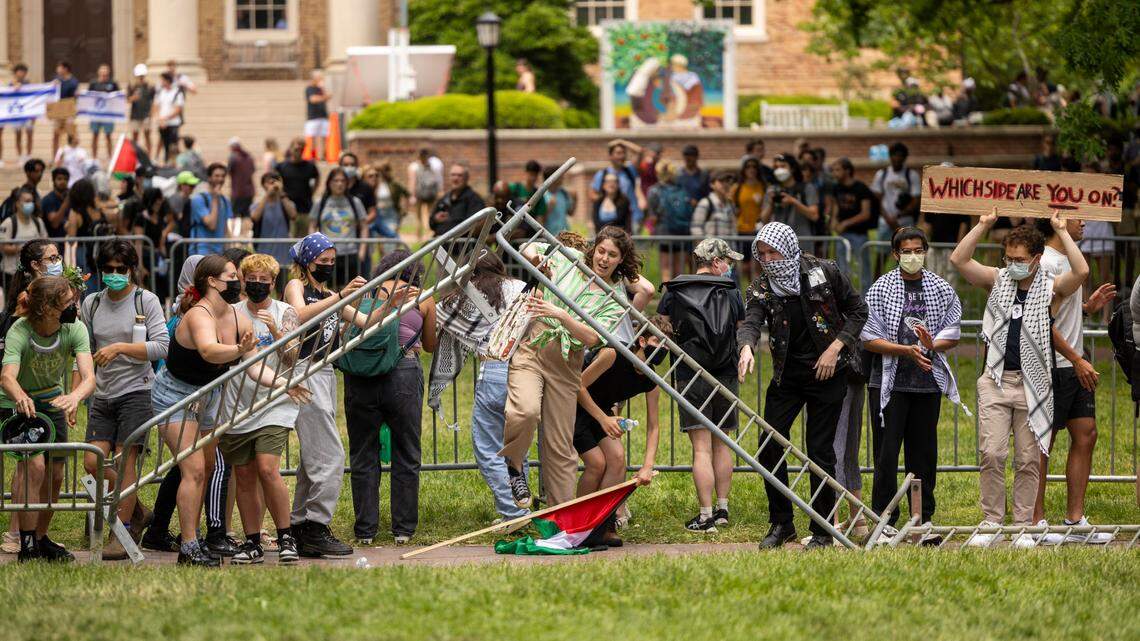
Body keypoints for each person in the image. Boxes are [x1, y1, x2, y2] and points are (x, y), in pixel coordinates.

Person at [950, 212, 1087, 548]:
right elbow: (959, 259)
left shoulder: (1051, 287)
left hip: (1033, 384)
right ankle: (991, 522)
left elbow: (1081, 271)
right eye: (1008, 258)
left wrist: (1060, 231)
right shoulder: (997, 280)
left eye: (1020, 259)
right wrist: (982, 225)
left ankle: (1024, 525)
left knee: (1028, 458)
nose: (1012, 264)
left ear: (1037, 259)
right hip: (996, 380)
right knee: (992, 453)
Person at [737, 222, 867, 550]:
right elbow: (751, 321)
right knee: (769, 446)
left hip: (828, 374)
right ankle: (782, 524)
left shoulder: (824, 272)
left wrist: (835, 348)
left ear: (789, 247)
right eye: (762, 254)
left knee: (820, 452)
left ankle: (822, 529)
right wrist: (746, 347)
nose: (768, 260)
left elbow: (857, 310)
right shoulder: (761, 288)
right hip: (787, 378)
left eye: (774, 252)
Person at [501, 226, 636, 508]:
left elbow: (591, 337)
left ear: (621, 259)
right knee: (524, 410)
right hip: (533, 348)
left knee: (561, 447)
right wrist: (541, 264)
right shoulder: (570, 258)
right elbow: (529, 249)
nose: (604, 259)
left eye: (612, 255)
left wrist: (562, 315)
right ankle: (514, 466)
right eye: (601, 251)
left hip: (567, 363)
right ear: (593, 248)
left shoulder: (615, 299)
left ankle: (560, 517)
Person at [151, 255, 256, 566]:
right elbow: (210, 351)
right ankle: (188, 547)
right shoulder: (199, 315)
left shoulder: (238, 316)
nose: (238, 282)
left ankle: (194, 536)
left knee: (206, 469)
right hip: (175, 396)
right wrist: (239, 350)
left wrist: (283, 382)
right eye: (232, 276)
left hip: (209, 395)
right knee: (194, 470)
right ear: (212, 281)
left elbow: (254, 360)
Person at [861, 227, 963, 543]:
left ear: (926, 251)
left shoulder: (941, 288)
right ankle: (885, 519)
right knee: (886, 455)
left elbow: (953, 329)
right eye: (906, 251)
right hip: (889, 385)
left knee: (923, 456)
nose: (913, 256)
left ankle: (922, 520)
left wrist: (934, 345)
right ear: (895, 254)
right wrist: (906, 350)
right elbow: (868, 337)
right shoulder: (880, 289)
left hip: (926, 385)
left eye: (918, 250)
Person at [80, 240, 169, 560]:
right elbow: (85, 352)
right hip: (103, 395)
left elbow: (162, 347)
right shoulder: (91, 303)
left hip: (138, 390)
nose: (115, 275)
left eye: (121, 270)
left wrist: (120, 348)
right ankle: (139, 509)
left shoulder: (147, 301)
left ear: (132, 270)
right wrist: (77, 393)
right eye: (109, 270)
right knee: (92, 461)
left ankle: (123, 528)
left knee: (124, 461)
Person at [1032, 218, 1116, 544]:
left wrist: (1085, 308)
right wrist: (1076, 358)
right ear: (1058, 221)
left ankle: (1075, 519)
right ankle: (1035, 519)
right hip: (1051, 365)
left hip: (1073, 364)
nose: (1085, 222)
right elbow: (1040, 319)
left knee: (1086, 434)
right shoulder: (1045, 262)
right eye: (1078, 216)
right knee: (1043, 444)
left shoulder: (1071, 258)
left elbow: (1060, 311)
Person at [344, 251, 436, 545]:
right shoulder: (422, 298)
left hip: (361, 376)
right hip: (404, 372)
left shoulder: (366, 293)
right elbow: (431, 345)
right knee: (406, 452)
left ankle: (366, 530)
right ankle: (403, 529)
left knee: (363, 452)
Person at [432, 252, 530, 524]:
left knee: (488, 447)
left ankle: (513, 512)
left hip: (493, 370)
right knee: (518, 446)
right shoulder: (520, 288)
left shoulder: (464, 298)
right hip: (525, 371)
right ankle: (523, 503)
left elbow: (438, 316)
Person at [283, 233, 364, 558]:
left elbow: (366, 320)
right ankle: (316, 524)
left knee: (313, 457)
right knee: (330, 456)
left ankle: (302, 525)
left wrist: (393, 300)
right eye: (323, 262)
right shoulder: (295, 286)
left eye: (333, 261)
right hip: (303, 370)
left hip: (326, 371)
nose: (329, 266)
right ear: (306, 262)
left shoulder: (330, 294)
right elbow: (299, 316)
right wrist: (342, 296)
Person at [223, 254, 307, 565]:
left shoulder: (285, 312)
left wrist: (275, 333)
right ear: (243, 281)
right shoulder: (231, 313)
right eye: (252, 280)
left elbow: (293, 358)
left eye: (264, 281)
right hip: (237, 404)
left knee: (268, 468)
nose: (258, 285)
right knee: (244, 474)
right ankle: (252, 540)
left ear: (274, 283)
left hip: (276, 403)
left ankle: (286, 537)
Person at [3, 276, 94, 562]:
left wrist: (74, 397)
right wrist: (20, 396)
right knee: (35, 468)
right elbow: (7, 376)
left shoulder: (75, 329)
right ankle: (26, 544)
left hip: (53, 400)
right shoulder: (21, 329)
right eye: (67, 302)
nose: (73, 307)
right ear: (46, 308)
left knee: (55, 476)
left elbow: (90, 378)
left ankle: (41, 537)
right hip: (21, 404)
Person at [657, 239, 745, 532]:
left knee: (701, 449)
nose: (730, 267)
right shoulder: (732, 293)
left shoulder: (675, 290)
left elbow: (664, 326)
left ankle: (705, 514)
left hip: (690, 373)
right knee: (722, 444)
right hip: (726, 374)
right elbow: (738, 330)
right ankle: (723, 509)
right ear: (716, 261)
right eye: (728, 261)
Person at [573, 315, 669, 543]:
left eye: (666, 344)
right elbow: (577, 386)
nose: (662, 349)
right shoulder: (613, 354)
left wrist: (647, 467)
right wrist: (604, 419)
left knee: (617, 459)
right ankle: (579, 526)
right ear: (642, 341)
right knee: (597, 463)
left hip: (602, 411)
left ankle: (603, 525)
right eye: (657, 341)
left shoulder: (650, 379)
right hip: (576, 407)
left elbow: (654, 426)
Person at [311, 167, 368, 286]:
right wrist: (314, 249)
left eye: (342, 181)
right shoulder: (320, 202)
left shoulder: (355, 202)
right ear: (329, 183)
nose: (339, 184)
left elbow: (364, 226)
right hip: (326, 255)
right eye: (336, 181)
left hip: (350, 253)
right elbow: (312, 226)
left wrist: (362, 251)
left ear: (347, 183)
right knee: (329, 291)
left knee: (353, 290)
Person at [830, 157, 876, 283]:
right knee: (841, 268)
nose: (834, 173)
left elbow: (865, 213)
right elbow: (836, 207)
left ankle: (866, 298)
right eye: (833, 170)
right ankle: (846, 298)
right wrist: (834, 221)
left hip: (859, 234)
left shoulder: (861, 188)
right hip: (842, 235)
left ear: (848, 171)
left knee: (863, 268)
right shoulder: (836, 188)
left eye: (837, 170)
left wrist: (845, 223)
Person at [646, 161, 693, 283]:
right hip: (682, 233)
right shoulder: (682, 189)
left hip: (664, 233)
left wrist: (652, 232)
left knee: (666, 269)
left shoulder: (654, 190)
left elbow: (653, 216)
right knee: (680, 270)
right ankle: (680, 299)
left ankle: (667, 300)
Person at [761, 153, 819, 247]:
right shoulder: (772, 190)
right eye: (776, 167)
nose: (779, 170)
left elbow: (814, 215)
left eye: (783, 166)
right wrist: (772, 203)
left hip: (802, 242)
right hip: (778, 243)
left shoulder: (807, 188)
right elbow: (764, 219)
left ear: (792, 168)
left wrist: (793, 201)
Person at [0, 187, 49, 293]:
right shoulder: (9, 223)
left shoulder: (38, 222)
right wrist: (24, 249)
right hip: (12, 274)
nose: (30, 204)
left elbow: (46, 242)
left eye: (31, 201)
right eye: (27, 201)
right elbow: (3, 246)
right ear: (18, 204)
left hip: (34, 274)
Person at [590, 141, 646, 232]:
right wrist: (608, 202)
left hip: (632, 216)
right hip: (613, 219)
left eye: (624, 153)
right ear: (610, 156)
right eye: (618, 153)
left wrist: (621, 142)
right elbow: (593, 196)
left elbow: (639, 152)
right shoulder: (603, 174)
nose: (622, 156)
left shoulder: (630, 170)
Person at [871, 142, 921, 241]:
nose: (897, 158)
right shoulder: (882, 174)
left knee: (906, 253)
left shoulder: (911, 175)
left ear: (905, 158)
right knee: (881, 253)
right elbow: (877, 199)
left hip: (905, 221)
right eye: (895, 155)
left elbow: (916, 201)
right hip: (885, 221)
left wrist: (899, 215)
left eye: (901, 156)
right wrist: (888, 218)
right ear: (890, 156)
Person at [251, 171, 297, 268]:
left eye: (276, 182)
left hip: (283, 254)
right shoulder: (258, 205)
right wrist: (267, 194)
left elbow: (293, 215)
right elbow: (255, 217)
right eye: (269, 182)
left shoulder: (286, 203)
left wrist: (281, 194)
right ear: (263, 185)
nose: (273, 185)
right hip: (263, 252)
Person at [430, 163, 485, 237]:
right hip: (439, 242)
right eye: (453, 175)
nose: (455, 179)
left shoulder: (474, 200)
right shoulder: (444, 199)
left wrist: (449, 221)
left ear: (466, 178)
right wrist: (435, 219)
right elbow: (431, 223)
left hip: (460, 245)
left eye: (459, 175)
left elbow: (473, 226)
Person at [189, 163, 233, 255]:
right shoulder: (198, 199)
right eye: (216, 176)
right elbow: (211, 225)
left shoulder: (225, 200)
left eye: (223, 176)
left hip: (220, 251)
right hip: (202, 251)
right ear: (209, 177)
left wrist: (230, 249)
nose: (220, 179)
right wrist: (215, 198)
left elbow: (225, 227)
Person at [690, 170, 738, 239]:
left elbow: (734, 230)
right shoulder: (705, 203)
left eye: (728, 181)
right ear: (712, 184)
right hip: (711, 249)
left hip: (729, 248)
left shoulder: (731, 204)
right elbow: (696, 229)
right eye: (721, 181)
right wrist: (704, 248)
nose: (725, 184)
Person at [409, 148, 444, 240]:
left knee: (418, 216)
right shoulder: (433, 165)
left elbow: (412, 182)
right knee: (430, 214)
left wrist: (412, 195)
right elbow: (438, 180)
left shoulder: (414, 167)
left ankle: (418, 236)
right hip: (430, 193)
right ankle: (428, 234)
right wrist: (440, 191)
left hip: (419, 193)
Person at [87, 64, 119, 160]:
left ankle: (110, 157)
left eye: (106, 74)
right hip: (96, 114)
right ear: (99, 73)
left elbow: (118, 96)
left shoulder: (113, 83)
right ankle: (94, 157)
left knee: (108, 135)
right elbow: (88, 96)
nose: (104, 75)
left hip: (108, 115)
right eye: (102, 73)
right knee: (95, 135)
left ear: (108, 74)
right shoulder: (93, 83)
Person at [369, 161, 407, 240]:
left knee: (391, 239)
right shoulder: (373, 185)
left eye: (384, 170)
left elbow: (407, 194)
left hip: (391, 215)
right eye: (378, 171)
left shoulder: (393, 185)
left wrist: (404, 210)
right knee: (379, 242)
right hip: (378, 216)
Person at [152, 72, 185, 165]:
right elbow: (156, 106)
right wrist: (159, 118)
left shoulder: (177, 92)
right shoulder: (160, 92)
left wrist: (166, 118)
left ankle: (174, 162)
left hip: (173, 123)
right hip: (162, 123)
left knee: (173, 145)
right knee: (165, 144)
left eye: (162, 80)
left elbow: (178, 109)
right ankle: (166, 161)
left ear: (167, 81)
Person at [50, 61, 79, 160]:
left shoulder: (73, 81)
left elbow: (74, 96)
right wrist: (53, 85)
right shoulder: (56, 79)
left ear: (65, 69)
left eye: (59, 68)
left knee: (71, 134)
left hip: (69, 110)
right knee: (56, 135)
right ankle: (55, 157)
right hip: (57, 111)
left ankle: (72, 155)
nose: (58, 70)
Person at [7, 63, 36, 162]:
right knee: (18, 135)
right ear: (16, 73)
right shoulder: (11, 84)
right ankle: (20, 156)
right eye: (19, 71)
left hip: (28, 113)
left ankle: (28, 154)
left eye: (23, 72)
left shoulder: (28, 84)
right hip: (17, 113)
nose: (21, 74)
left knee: (29, 134)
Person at [508, 160, 549, 229]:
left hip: (527, 232)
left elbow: (540, 218)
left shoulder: (538, 195)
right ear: (526, 173)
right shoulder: (513, 188)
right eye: (531, 174)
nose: (533, 178)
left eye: (535, 175)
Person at [228, 137, 256, 235]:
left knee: (234, 216)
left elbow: (229, 170)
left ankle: (235, 237)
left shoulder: (233, 157)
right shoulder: (249, 157)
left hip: (237, 191)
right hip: (249, 191)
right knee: (246, 215)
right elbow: (253, 170)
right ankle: (246, 236)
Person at [127, 64, 155, 157]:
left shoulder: (150, 86)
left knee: (147, 136)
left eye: (142, 76)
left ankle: (149, 156)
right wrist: (133, 98)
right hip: (135, 114)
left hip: (146, 114)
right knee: (135, 136)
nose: (141, 78)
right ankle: (134, 156)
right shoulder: (132, 86)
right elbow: (128, 100)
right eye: (139, 76)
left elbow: (153, 100)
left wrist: (151, 113)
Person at [304, 71, 330, 160]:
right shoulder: (309, 88)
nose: (321, 79)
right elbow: (313, 99)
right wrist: (323, 98)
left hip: (323, 116)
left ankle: (323, 156)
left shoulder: (320, 89)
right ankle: (313, 156)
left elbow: (328, 96)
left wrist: (323, 88)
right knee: (312, 138)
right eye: (319, 77)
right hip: (313, 117)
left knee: (324, 137)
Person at [541, 165, 574, 235]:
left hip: (564, 235)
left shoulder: (563, 193)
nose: (562, 177)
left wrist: (575, 199)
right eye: (560, 175)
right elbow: (540, 221)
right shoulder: (542, 196)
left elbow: (570, 212)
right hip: (549, 236)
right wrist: (548, 209)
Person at [41, 168, 70, 238]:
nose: (63, 182)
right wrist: (66, 202)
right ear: (53, 180)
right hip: (53, 242)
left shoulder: (70, 197)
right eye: (59, 179)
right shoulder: (48, 200)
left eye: (65, 179)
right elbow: (55, 223)